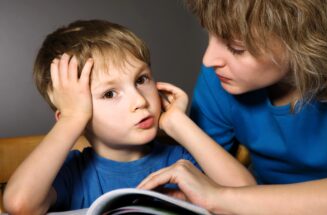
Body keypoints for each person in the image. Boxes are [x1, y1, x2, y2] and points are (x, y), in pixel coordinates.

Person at [3, 19, 254, 214]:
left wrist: (178, 123)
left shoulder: (180, 161)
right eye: (110, 93)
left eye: (141, 79)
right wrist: (72, 119)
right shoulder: (71, 173)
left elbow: (248, 196)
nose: (140, 101)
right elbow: (19, 204)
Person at [138, 0, 327, 214]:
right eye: (210, 34)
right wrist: (177, 124)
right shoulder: (218, 81)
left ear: (304, 41)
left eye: (237, 48)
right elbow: (204, 179)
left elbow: (216, 195)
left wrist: (219, 198)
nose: (208, 60)